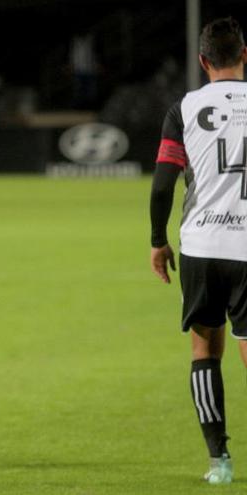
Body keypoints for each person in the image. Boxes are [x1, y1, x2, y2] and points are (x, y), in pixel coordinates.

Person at [150, 16, 247, 485]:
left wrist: (156, 240)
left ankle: (220, 463)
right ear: (244, 56)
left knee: (204, 347)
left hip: (203, 245)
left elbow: (163, 184)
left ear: (203, 60)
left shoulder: (184, 108)